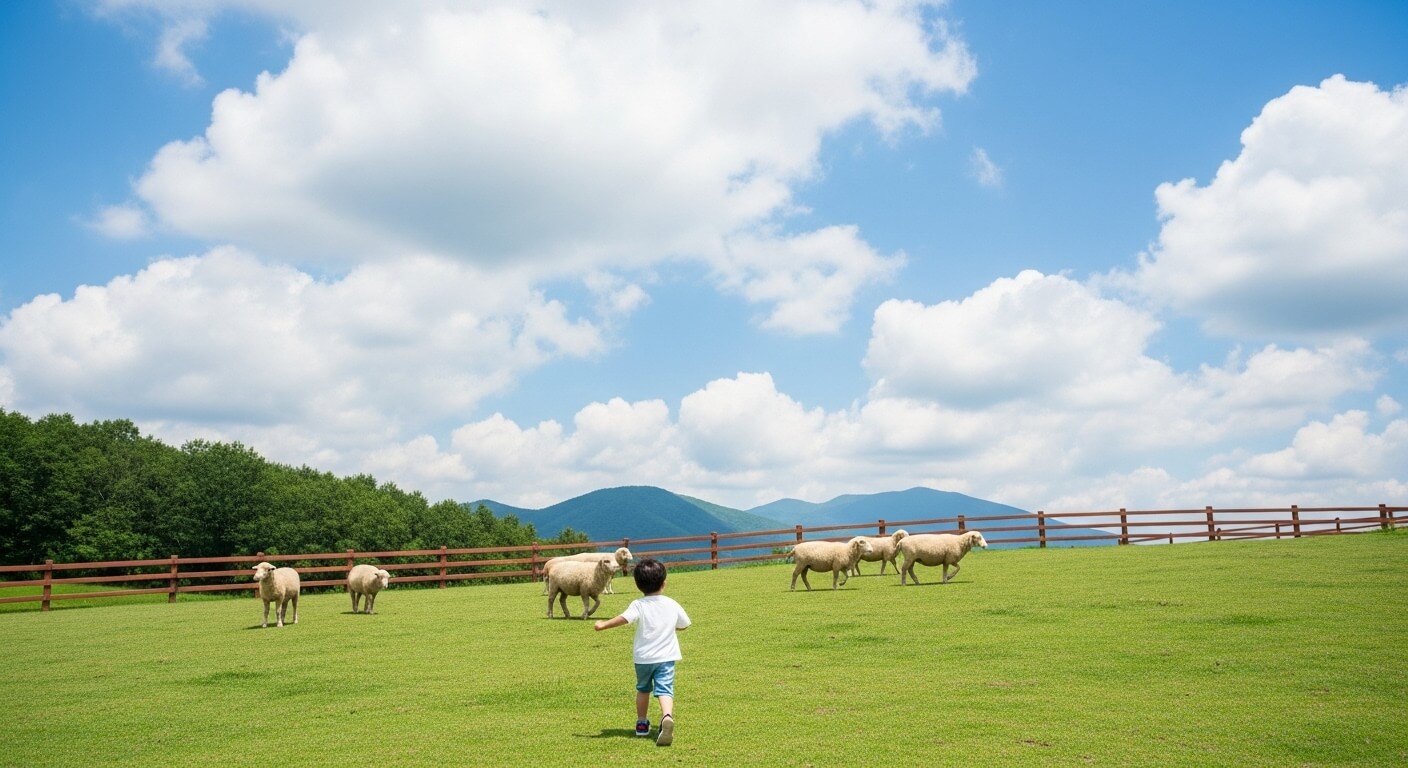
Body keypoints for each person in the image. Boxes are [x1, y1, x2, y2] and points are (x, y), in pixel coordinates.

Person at [593, 557, 691, 746]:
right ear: (664, 583)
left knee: (643, 689)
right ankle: (667, 717)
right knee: (665, 689)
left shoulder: (638, 604)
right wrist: (671, 627)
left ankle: (641, 723)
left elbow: (624, 618)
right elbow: (684, 624)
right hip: (666, 657)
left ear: (638, 585)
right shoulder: (671, 603)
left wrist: (603, 624)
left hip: (643, 658)